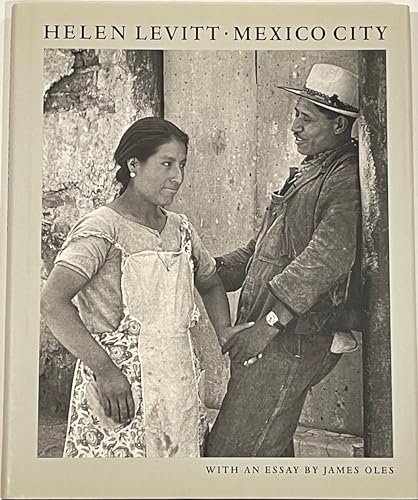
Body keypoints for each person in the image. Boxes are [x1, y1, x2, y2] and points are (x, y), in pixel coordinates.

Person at [41, 117, 251, 458]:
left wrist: (223, 330)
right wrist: (106, 371)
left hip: (177, 379)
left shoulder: (180, 229)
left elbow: (210, 282)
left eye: (181, 165)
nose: (177, 177)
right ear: (133, 164)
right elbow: (52, 302)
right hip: (120, 390)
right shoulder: (102, 228)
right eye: (166, 164)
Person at [205, 63, 363, 457]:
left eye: (307, 120)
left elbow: (325, 260)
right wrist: (205, 267)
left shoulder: (343, 178)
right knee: (267, 448)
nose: (295, 126)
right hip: (270, 337)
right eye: (296, 115)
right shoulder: (309, 172)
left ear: (340, 126)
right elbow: (259, 249)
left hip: (287, 340)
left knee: (232, 455)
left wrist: (267, 327)